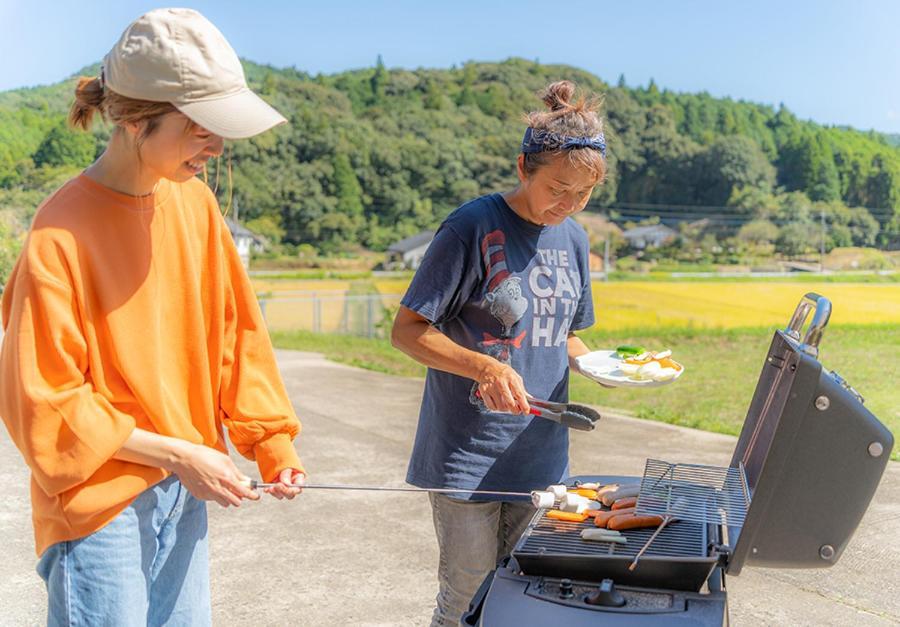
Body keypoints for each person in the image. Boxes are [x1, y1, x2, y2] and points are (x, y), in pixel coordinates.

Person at [0, 9, 304, 626]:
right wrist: (180, 456)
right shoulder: (59, 234)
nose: (217, 146)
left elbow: (234, 336)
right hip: (99, 504)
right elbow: (47, 403)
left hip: (180, 492)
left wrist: (271, 441)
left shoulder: (195, 204)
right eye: (201, 129)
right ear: (139, 122)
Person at [391, 80, 607, 625]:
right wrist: (484, 364)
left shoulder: (575, 240)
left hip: (542, 456)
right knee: (466, 601)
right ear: (522, 167)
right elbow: (409, 329)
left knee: (527, 601)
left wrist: (597, 365)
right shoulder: (472, 226)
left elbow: (566, 333)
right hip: (469, 455)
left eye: (582, 195)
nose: (569, 205)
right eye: (558, 188)